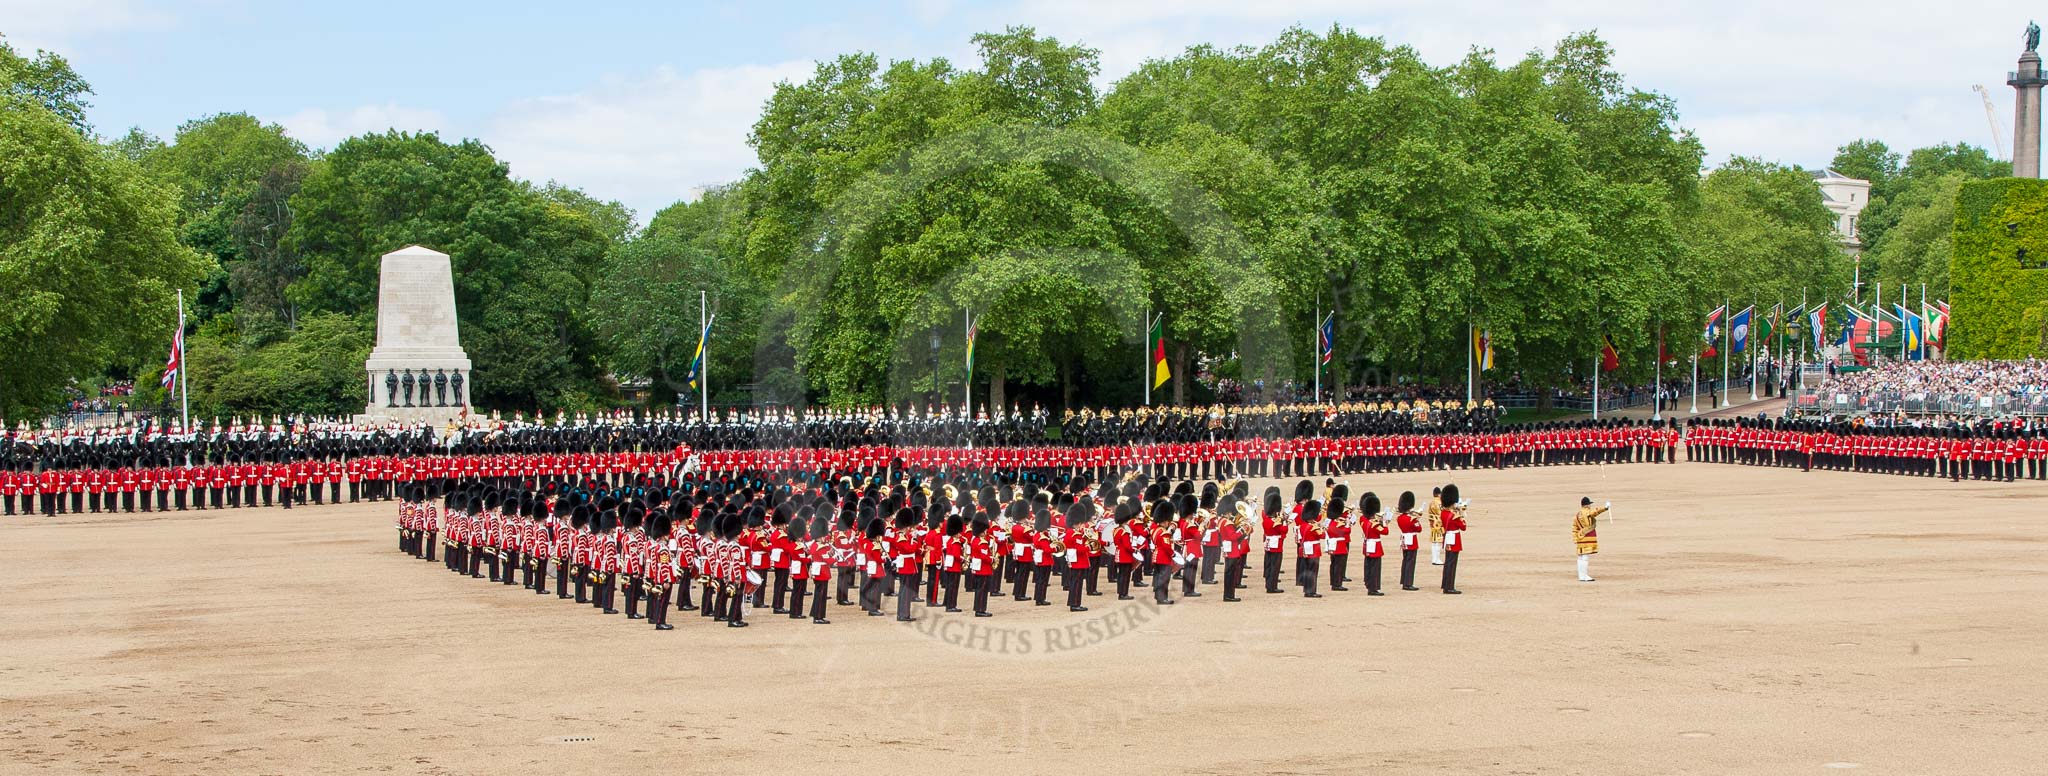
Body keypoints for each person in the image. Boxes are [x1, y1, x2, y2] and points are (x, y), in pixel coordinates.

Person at [1573, 497, 1610, 582]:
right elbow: (1595, 511)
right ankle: (1584, 576)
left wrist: (1575, 538)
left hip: (1580, 537)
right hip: (1587, 537)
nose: (1590, 506)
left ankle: (1581, 576)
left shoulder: (1577, 515)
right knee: (1585, 557)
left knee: (1581, 557)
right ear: (1587, 505)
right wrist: (1605, 508)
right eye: (1589, 504)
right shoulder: (1587, 512)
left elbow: (1574, 528)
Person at [1440, 484, 1465, 594]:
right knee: (1452, 563)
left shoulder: (1444, 513)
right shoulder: (1453, 515)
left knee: (1448, 562)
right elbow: (1463, 527)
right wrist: (1461, 513)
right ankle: (1449, 587)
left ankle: (1445, 583)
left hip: (1447, 538)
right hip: (1454, 539)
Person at [1360, 492, 1387, 596]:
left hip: (1367, 545)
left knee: (1368, 566)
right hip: (1375, 546)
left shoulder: (1364, 521)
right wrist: (1384, 522)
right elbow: (1385, 531)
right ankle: (1373, 588)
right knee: (1375, 568)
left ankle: (1369, 584)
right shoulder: (1374, 524)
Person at [1396, 491, 1421, 591]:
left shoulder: (1400, 518)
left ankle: (1404, 581)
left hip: (1404, 539)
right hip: (1411, 540)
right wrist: (1417, 519)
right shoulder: (1411, 519)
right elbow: (1419, 529)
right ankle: (1408, 583)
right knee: (1410, 562)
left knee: (1405, 560)